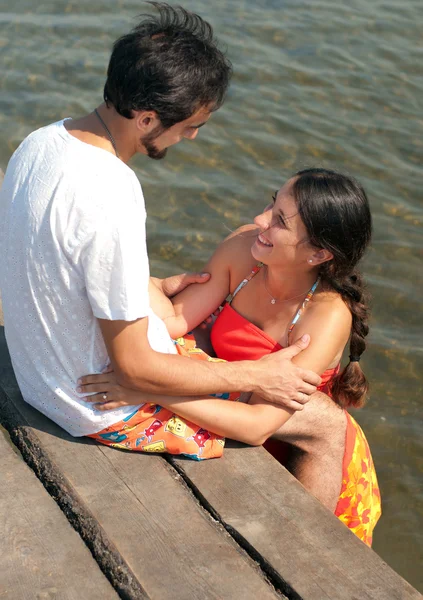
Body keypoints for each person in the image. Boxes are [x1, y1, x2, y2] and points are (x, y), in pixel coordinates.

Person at [0, 4, 320, 454]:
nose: (191, 137)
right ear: (147, 119)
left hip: (41, 371)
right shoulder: (110, 191)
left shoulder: (41, 142)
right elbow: (134, 370)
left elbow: (52, 257)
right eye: (190, 126)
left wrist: (143, 285)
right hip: (99, 405)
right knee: (323, 425)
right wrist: (256, 374)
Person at [79, 168, 382, 546]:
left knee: (294, 548)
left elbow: (258, 425)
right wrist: (142, 279)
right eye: (272, 203)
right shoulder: (245, 250)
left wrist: (146, 386)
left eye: (279, 221)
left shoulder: (326, 315)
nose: (260, 220)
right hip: (231, 403)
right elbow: (174, 320)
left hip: (293, 439)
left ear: (318, 254)